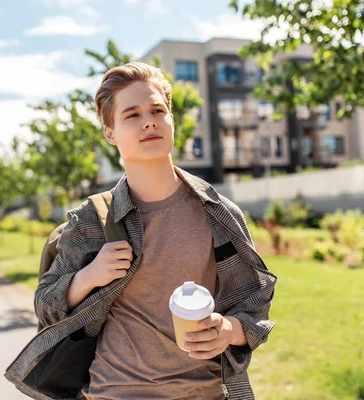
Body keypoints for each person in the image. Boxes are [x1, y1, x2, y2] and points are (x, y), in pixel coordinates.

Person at [34, 61, 277, 400]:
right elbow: (45, 304)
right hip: (114, 392)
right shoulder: (92, 219)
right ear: (110, 133)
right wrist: (90, 275)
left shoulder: (219, 213)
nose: (148, 121)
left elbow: (255, 304)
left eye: (158, 110)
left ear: (171, 120)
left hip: (205, 393)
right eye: (131, 115)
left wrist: (228, 330)